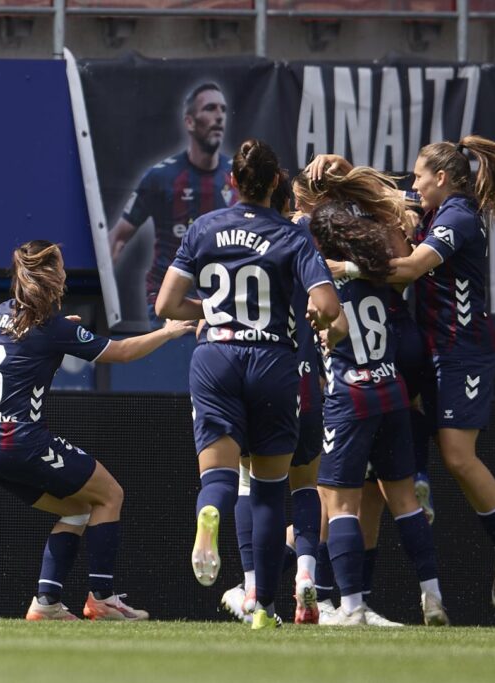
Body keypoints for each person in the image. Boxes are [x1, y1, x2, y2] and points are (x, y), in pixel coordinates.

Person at [309, 135, 495, 610]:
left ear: (441, 178)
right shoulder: (433, 205)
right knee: (386, 437)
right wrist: (344, 168)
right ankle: (412, 486)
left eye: (419, 176)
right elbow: (386, 196)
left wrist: (343, 269)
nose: (412, 185)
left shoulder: (456, 215)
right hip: (427, 346)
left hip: (463, 351)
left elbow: (411, 268)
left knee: (458, 455)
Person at [154, 139, 343, 630]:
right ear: (277, 182)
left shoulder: (202, 227)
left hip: (215, 356)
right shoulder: (292, 236)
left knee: (218, 479)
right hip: (273, 362)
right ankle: (264, 608)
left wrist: (213, 312)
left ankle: (208, 516)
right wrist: (316, 320)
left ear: (232, 182)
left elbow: (166, 305)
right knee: (267, 491)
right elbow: (327, 306)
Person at [0, 240, 196, 621]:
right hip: (23, 441)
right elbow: (122, 353)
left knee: (78, 509)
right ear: (51, 274)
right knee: (110, 494)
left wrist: (61, 333)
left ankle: (45, 604)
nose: (65, 272)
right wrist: (169, 332)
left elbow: (25, 350)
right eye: (60, 265)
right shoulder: (50, 328)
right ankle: (103, 599)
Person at [308, 201, 449, 626]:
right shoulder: (376, 273)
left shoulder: (322, 281)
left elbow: (330, 329)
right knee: (404, 502)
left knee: (341, 505)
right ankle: (433, 596)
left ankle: (351, 607)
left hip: (350, 398)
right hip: (392, 392)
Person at [108, 82, 238, 329]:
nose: (219, 116)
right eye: (210, 108)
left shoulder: (236, 176)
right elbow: (117, 238)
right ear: (189, 122)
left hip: (223, 300)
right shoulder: (160, 177)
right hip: (168, 300)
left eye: (222, 109)